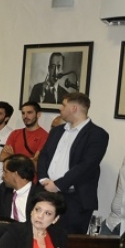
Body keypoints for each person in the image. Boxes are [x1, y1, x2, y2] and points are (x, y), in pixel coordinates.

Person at [37, 92, 110, 234]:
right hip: (46, 192)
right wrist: (44, 179)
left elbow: (87, 166)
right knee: (41, 238)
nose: (60, 108)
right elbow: (44, 155)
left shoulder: (97, 134)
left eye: (64, 105)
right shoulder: (57, 131)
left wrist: (58, 185)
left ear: (74, 108)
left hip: (74, 199)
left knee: (69, 244)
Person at [0, 191, 68, 248]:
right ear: (32, 212)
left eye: (47, 213)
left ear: (55, 219)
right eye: (37, 210)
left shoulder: (59, 235)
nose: (40, 216)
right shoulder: (15, 232)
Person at [0, 101, 48, 171]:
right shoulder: (15, 133)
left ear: (38, 114)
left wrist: (13, 156)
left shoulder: (44, 136)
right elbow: (2, 157)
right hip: (12, 179)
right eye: (23, 113)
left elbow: (35, 164)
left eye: (29, 112)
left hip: (31, 179)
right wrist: (27, 160)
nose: (25, 116)